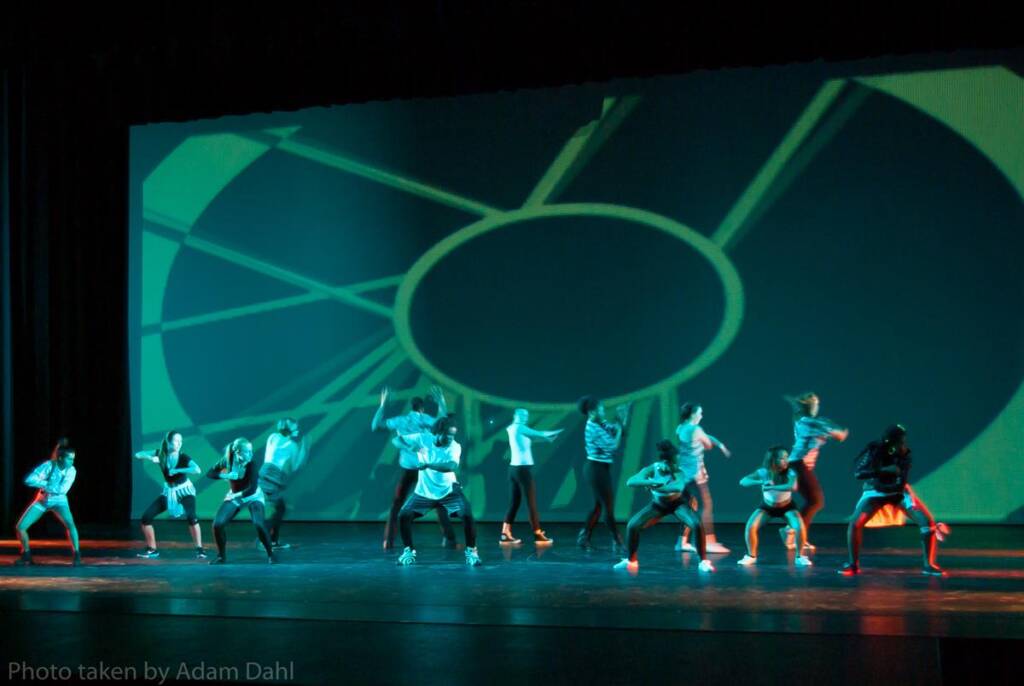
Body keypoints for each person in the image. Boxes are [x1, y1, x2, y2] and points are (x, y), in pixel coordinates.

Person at [839, 424, 947, 576]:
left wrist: (895, 494)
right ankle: (852, 564)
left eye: (904, 442)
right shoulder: (874, 450)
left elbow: (901, 483)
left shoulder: (905, 456)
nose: (904, 445)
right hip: (875, 492)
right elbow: (858, 473)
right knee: (855, 523)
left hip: (897, 492)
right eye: (900, 442)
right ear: (890, 442)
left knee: (927, 522)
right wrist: (883, 471)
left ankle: (929, 565)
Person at [372, 385, 456, 550]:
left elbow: (375, 426)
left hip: (408, 468)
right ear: (422, 408)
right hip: (426, 469)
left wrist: (382, 405)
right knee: (438, 503)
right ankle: (449, 539)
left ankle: (388, 541)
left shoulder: (401, 420)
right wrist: (441, 402)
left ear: (412, 407)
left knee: (397, 504)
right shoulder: (427, 420)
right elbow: (444, 422)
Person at [393, 414, 481, 566]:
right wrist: (409, 447)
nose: (450, 438)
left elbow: (451, 466)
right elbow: (396, 440)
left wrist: (428, 465)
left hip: (449, 491)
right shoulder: (422, 438)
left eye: (453, 435)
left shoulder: (454, 446)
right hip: (424, 492)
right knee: (403, 515)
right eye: (447, 435)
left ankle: (471, 552)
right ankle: (408, 551)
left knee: (466, 514)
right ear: (437, 432)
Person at [614, 440, 714, 573]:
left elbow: (677, 486)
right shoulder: (652, 469)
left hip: (678, 504)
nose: (672, 466)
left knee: (696, 524)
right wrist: (651, 481)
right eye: (669, 464)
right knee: (632, 525)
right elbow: (631, 481)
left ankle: (703, 562)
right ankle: (631, 561)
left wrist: (655, 486)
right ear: (661, 463)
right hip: (658, 506)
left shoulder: (678, 471)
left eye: (674, 464)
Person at [781, 392, 848, 551]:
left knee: (813, 502)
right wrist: (840, 432)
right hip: (799, 464)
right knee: (816, 501)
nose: (817, 406)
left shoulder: (804, 420)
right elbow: (840, 435)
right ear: (811, 406)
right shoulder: (811, 422)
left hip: (799, 464)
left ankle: (795, 532)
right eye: (815, 403)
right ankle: (794, 532)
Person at [736, 446, 813, 567]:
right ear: (773, 460)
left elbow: (792, 487)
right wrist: (760, 482)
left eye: (787, 457)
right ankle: (751, 556)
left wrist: (771, 487)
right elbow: (743, 481)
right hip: (767, 507)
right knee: (750, 527)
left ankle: (800, 556)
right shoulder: (763, 472)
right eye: (783, 458)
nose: (786, 460)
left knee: (799, 527)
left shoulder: (790, 472)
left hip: (787, 507)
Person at [134, 430, 205, 559]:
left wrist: (177, 469)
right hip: (169, 492)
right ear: (168, 442)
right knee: (146, 518)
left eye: (181, 441)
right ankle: (152, 549)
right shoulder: (161, 454)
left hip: (185, 491)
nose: (179, 444)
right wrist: (151, 458)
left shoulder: (183, 457)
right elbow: (138, 454)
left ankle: (199, 549)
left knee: (192, 517)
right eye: (176, 441)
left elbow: (197, 470)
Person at [206, 438, 276, 565]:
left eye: (251, 451)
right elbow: (210, 473)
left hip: (253, 496)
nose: (250, 454)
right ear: (237, 452)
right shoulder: (227, 460)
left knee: (259, 524)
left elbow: (252, 489)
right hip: (235, 496)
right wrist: (225, 475)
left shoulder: (252, 464)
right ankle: (221, 557)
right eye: (247, 452)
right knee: (217, 525)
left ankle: (271, 554)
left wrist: (235, 496)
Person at [576, 395, 631, 555]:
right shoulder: (592, 427)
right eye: (600, 408)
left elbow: (619, 431)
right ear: (592, 412)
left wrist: (622, 418)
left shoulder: (601, 423)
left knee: (597, 507)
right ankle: (618, 541)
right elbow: (613, 445)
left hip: (601, 469)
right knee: (607, 508)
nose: (603, 410)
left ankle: (584, 537)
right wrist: (620, 427)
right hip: (596, 469)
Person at [674, 403, 731, 554]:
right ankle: (708, 541)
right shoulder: (696, 429)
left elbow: (706, 437)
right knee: (706, 506)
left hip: (684, 475)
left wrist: (720, 444)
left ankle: (682, 542)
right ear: (693, 414)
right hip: (695, 476)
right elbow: (707, 445)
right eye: (700, 413)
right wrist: (715, 444)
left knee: (690, 507)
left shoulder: (680, 428)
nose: (701, 416)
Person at [14, 438, 81, 566]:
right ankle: (26, 554)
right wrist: (45, 483)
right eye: (69, 459)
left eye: (73, 459)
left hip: (59, 501)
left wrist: (46, 485)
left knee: (70, 524)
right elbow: (29, 479)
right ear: (60, 458)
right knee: (20, 527)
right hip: (42, 499)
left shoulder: (71, 471)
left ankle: (77, 553)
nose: (72, 461)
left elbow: (62, 489)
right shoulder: (49, 465)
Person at [500, 408, 562, 545]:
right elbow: (539, 434)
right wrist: (556, 432)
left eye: (526, 415)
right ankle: (538, 533)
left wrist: (547, 437)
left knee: (514, 503)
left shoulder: (513, 428)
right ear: (515, 415)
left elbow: (534, 438)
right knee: (531, 503)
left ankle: (505, 532)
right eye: (522, 414)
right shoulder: (519, 427)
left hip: (513, 469)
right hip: (522, 470)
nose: (525, 417)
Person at [257, 418, 310, 550]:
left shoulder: (273, 437)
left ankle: (272, 540)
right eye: (295, 427)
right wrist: (304, 448)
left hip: (265, 473)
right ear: (288, 428)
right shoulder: (292, 445)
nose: (297, 429)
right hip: (273, 476)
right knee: (280, 509)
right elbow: (296, 466)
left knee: (279, 508)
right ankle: (265, 539)